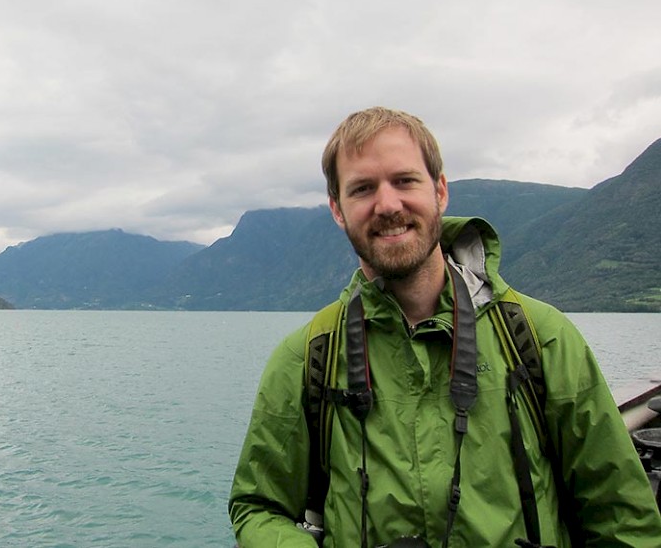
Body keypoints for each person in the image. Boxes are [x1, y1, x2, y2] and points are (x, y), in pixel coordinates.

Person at [229, 107, 661, 547]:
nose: (388, 204)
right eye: (362, 188)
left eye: (405, 180)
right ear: (338, 210)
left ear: (439, 191)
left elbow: (622, 518)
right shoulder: (307, 358)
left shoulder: (539, 337)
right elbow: (258, 508)